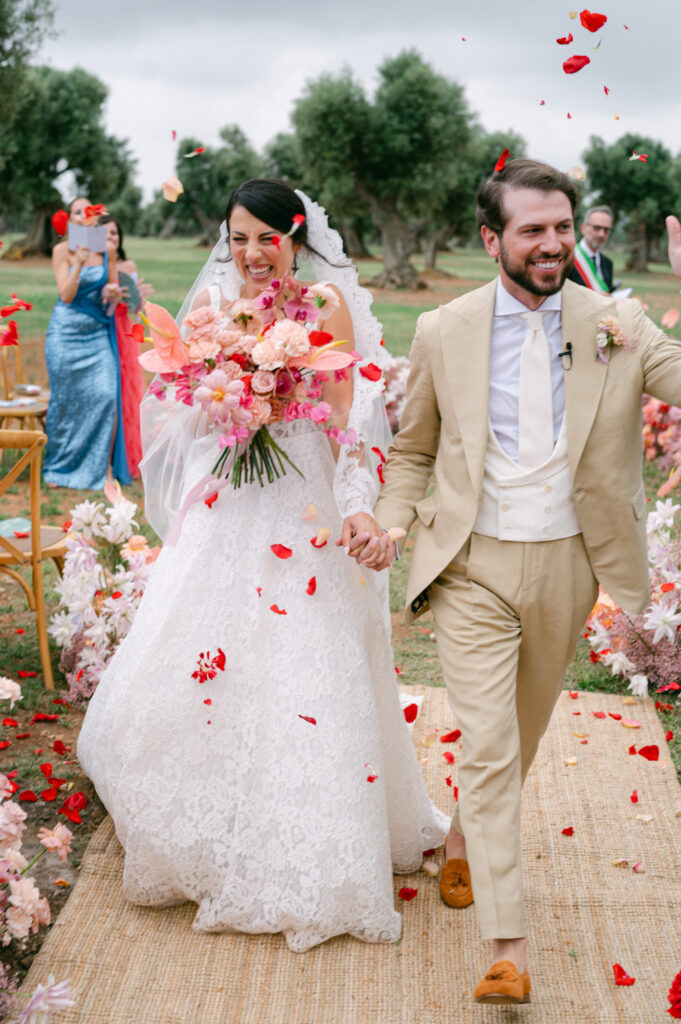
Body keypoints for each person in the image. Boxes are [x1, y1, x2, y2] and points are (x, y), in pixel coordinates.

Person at [341, 159, 681, 1004]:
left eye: (561, 227)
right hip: (471, 565)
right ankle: (510, 945)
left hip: (570, 561)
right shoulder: (443, 329)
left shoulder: (615, 319)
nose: (552, 243)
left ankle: (463, 836)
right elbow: (414, 449)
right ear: (492, 238)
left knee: (519, 738)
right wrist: (391, 520)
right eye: (532, 229)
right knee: (490, 745)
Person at [77, 179, 447, 952]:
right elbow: (181, 406)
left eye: (266, 239)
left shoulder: (326, 306)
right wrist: (225, 400)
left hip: (306, 505)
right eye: (238, 237)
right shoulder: (214, 302)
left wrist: (356, 504)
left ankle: (312, 843)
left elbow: (350, 423)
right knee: (207, 655)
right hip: (230, 500)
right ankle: (209, 827)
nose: (251, 254)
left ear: (295, 237)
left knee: (304, 667)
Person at [43, 197, 131, 489]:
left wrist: (114, 291)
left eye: (89, 210)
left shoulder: (106, 250)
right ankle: (58, 468)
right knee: (65, 402)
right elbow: (66, 296)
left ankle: (101, 467)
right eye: (77, 211)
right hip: (65, 335)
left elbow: (112, 290)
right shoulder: (60, 251)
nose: (84, 215)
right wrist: (77, 265)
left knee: (106, 396)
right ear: (70, 219)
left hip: (96, 334)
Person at [99, 214, 153, 479]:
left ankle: (127, 457)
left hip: (125, 331)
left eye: (115, 234)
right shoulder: (95, 266)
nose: (111, 238)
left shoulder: (127, 264)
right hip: (103, 331)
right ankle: (103, 457)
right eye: (106, 233)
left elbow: (136, 308)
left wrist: (139, 298)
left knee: (129, 392)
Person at [567, 204, 614, 292]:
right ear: (583, 228)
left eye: (606, 230)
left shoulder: (608, 264)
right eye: (597, 228)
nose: (601, 234)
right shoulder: (568, 258)